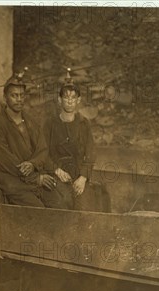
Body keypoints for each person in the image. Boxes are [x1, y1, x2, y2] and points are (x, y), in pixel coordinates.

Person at [0, 70, 66, 208]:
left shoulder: (32, 122)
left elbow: (43, 150)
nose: (19, 99)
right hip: (14, 184)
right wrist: (36, 179)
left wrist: (33, 164)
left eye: (22, 95)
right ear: (5, 97)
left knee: (60, 205)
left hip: (37, 180)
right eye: (14, 95)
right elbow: (6, 161)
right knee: (38, 211)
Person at [43, 70, 97, 210]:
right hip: (57, 175)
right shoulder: (50, 123)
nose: (70, 101)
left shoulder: (84, 123)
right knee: (62, 203)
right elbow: (42, 152)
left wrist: (83, 177)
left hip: (78, 175)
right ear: (59, 100)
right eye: (66, 97)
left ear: (78, 100)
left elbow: (91, 153)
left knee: (85, 207)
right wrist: (56, 170)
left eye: (73, 97)